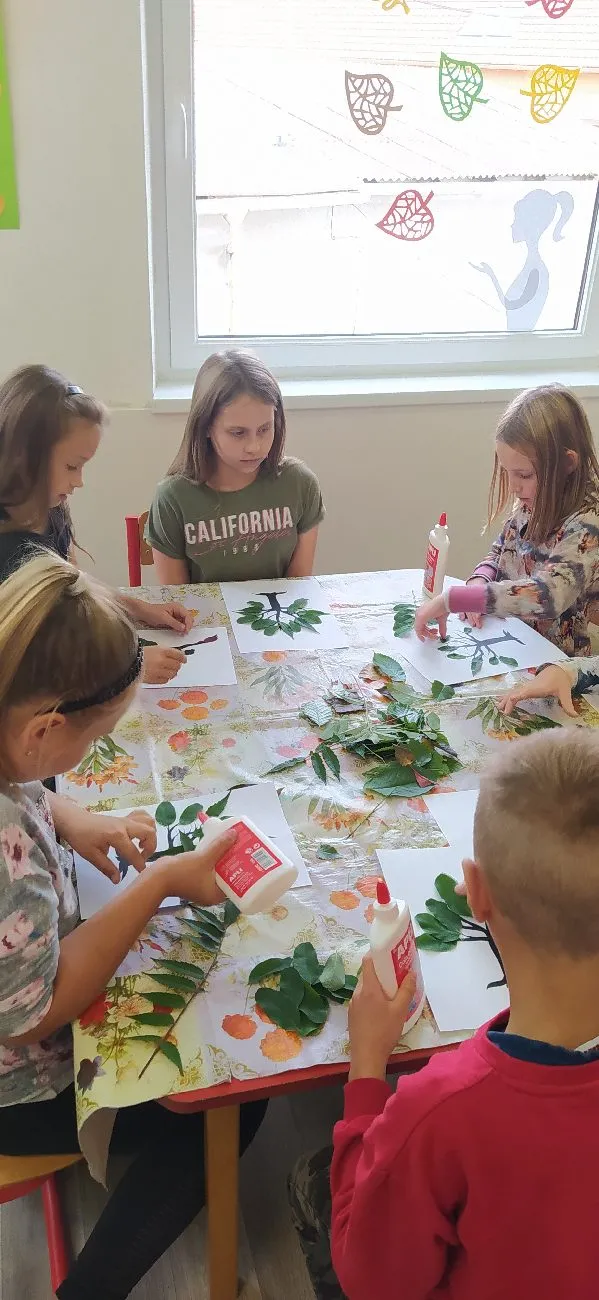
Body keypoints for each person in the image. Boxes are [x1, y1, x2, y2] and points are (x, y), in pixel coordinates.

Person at [0, 553, 266, 1300]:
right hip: (17, 1091)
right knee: (229, 1100)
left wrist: (72, 815)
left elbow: (25, 786)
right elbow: (34, 1016)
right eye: (88, 741)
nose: (86, 755)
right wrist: (158, 884)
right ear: (43, 730)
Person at [288, 728, 599, 1300]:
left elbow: (371, 1279)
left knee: (307, 1178)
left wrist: (366, 1069)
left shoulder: (440, 1111)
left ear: (474, 892)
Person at [0, 364, 193, 685]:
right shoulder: (8, 552)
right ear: (26, 457)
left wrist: (137, 608)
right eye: (72, 466)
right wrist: (130, 668)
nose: (79, 481)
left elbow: (77, 587)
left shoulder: (50, 508)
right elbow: (29, 660)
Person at [414, 384, 599, 656]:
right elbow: (502, 549)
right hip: (518, 642)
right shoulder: (535, 497)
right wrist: (480, 579)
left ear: (567, 464)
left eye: (524, 475)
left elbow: (548, 595)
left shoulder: (589, 524)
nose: (513, 486)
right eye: (507, 472)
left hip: (562, 664)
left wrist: (455, 599)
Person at [146, 349, 324, 583]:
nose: (254, 446)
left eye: (265, 429)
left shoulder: (300, 485)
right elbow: (178, 599)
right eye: (238, 433)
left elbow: (298, 587)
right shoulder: (173, 499)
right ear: (206, 427)